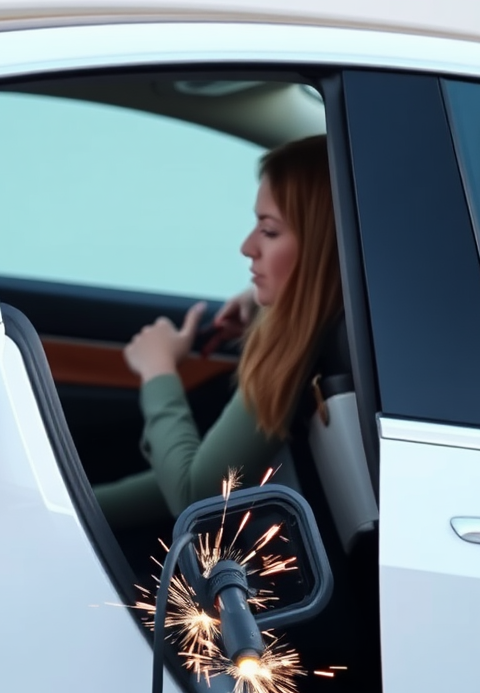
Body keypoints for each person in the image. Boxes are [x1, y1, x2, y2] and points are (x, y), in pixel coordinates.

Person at [94, 134, 342, 530]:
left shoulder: (298, 345)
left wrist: (158, 371)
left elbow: (195, 495)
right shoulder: (328, 331)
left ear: (322, 247)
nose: (247, 247)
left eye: (270, 231)